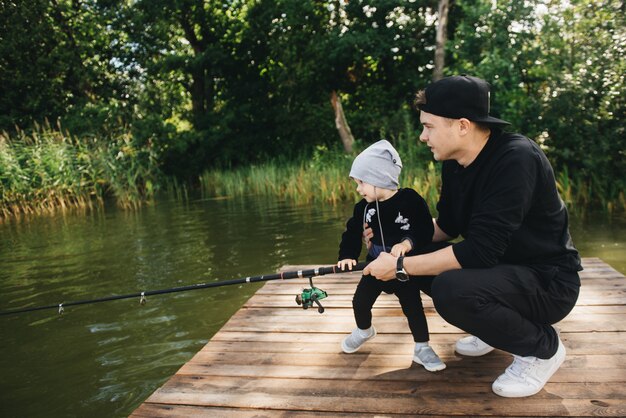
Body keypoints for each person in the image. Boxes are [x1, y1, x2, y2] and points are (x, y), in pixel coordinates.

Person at [362, 75, 582, 397]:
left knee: (451, 289)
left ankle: (542, 348)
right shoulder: (455, 162)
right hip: (503, 272)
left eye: (429, 126)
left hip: (549, 283)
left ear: (462, 126)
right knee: (415, 252)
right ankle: (493, 330)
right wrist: (393, 241)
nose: (422, 137)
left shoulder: (516, 159)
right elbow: (447, 226)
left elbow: (478, 252)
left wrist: (398, 269)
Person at [337, 139, 446, 372]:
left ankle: (422, 347)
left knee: (413, 306)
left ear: (379, 178)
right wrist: (347, 255)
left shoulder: (409, 200)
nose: (358, 189)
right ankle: (364, 330)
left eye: (361, 182)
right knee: (359, 302)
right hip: (376, 266)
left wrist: (407, 243)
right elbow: (352, 232)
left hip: (402, 267)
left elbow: (425, 227)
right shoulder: (364, 207)